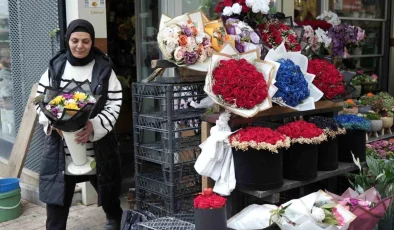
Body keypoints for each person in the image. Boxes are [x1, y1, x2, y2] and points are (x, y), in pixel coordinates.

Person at [35, 19, 123, 230]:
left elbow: (114, 101)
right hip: (61, 148)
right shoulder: (56, 67)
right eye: (75, 40)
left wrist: (94, 125)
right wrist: (54, 124)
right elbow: (41, 100)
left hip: (96, 146)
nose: (80, 46)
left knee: (107, 190)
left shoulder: (104, 69)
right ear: (68, 40)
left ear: (92, 42)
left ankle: (114, 219)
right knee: (57, 202)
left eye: (85, 41)